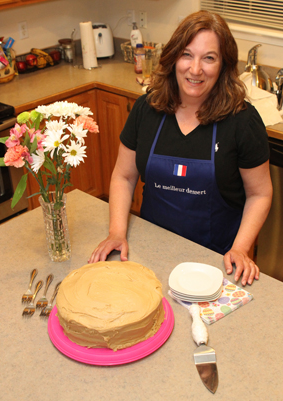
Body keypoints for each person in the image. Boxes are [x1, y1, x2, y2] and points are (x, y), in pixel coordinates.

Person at [89, 10, 273, 286]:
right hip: (151, 251)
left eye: (209, 58)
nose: (195, 69)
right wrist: (117, 231)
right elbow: (124, 176)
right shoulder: (146, 109)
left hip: (215, 261)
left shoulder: (242, 121)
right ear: (173, 57)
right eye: (187, 54)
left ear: (223, 65)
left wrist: (240, 248)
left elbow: (259, 193)